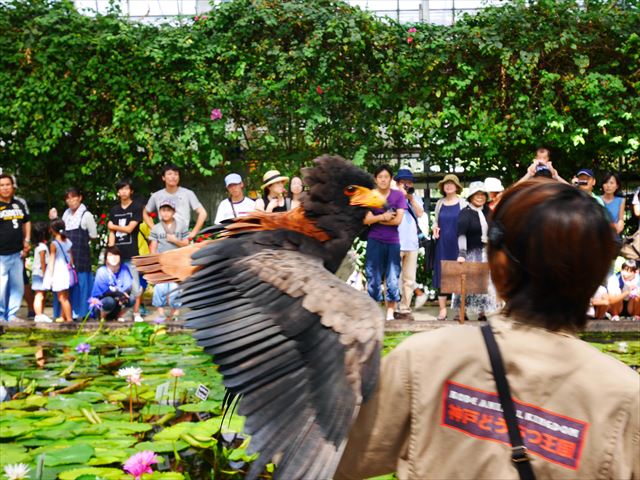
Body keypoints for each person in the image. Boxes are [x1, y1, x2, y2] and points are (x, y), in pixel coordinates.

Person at [336, 180, 638, 480]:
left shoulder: (423, 361)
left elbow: (333, 460)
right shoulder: (626, 397)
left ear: (499, 265)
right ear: (597, 276)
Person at [49, 187, 99, 319]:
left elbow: (93, 235)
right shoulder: (65, 215)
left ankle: (82, 313)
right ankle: (65, 314)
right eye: (68, 198)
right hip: (66, 259)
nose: (71, 201)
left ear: (80, 197)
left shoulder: (86, 215)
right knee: (66, 286)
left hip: (81, 256)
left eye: (73, 197)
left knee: (81, 285)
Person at [364, 165, 405, 322]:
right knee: (373, 277)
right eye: (380, 176)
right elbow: (366, 219)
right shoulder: (370, 196)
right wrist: (384, 216)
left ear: (391, 179)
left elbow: (398, 220)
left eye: (386, 176)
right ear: (376, 179)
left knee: (393, 278)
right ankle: (374, 311)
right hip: (374, 240)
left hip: (393, 242)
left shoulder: (398, 196)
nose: (383, 179)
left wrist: (377, 219)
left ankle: (390, 313)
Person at [454, 181, 500, 320]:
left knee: (486, 283)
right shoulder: (465, 213)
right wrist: (462, 254)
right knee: (467, 283)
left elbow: (495, 229)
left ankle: (482, 312)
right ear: (471, 196)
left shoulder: (488, 211)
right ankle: (462, 312)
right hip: (470, 253)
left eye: (482, 194)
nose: (480, 197)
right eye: (477, 194)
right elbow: (461, 234)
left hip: (486, 252)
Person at [108, 178, 144, 322]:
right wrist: (110, 251)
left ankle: (136, 313)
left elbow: (130, 229)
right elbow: (111, 233)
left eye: (126, 188)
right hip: (117, 255)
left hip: (132, 253)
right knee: (118, 286)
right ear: (118, 192)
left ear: (131, 191)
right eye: (121, 189)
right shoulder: (114, 210)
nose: (124, 191)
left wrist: (113, 226)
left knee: (135, 285)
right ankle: (120, 314)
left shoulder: (136, 207)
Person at [432, 174, 466, 321]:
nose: (448, 186)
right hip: (442, 244)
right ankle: (443, 310)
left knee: (459, 276)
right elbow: (435, 221)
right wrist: (434, 228)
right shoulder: (439, 203)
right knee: (441, 276)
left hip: (458, 244)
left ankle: (460, 311)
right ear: (443, 187)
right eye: (446, 184)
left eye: (451, 184)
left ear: (457, 187)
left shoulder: (463, 203)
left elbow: (467, 223)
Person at [144, 163, 208, 240]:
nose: (173, 177)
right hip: (163, 238)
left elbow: (203, 213)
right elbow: (145, 212)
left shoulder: (187, 193)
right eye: (169, 174)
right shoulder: (156, 195)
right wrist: (154, 228)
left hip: (182, 237)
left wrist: (194, 232)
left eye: (176, 174)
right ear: (163, 177)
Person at [149, 199, 189, 320]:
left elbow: (187, 244)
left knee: (174, 288)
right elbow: (153, 247)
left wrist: (175, 240)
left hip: (177, 263)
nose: (165, 213)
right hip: (161, 263)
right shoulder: (156, 228)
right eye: (163, 210)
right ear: (160, 212)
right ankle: (160, 313)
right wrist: (153, 264)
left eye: (168, 210)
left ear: (173, 211)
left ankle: (175, 314)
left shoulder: (182, 226)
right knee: (160, 288)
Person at [394, 169, 425, 320]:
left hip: (412, 244)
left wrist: (411, 198)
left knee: (409, 279)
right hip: (394, 242)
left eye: (409, 182)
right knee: (392, 277)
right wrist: (399, 196)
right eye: (403, 182)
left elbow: (420, 213)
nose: (407, 185)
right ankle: (391, 307)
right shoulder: (392, 197)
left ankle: (405, 309)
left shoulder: (416, 199)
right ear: (397, 183)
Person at [0, 173, 31, 322]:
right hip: (1, 254)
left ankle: (12, 314)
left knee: (17, 286)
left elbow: (27, 221)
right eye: (2, 185)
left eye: (8, 184)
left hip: (17, 253)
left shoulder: (19, 204)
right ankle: (0, 315)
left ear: (13, 187)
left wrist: (27, 240)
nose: (5, 188)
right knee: (0, 287)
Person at [91, 246, 134, 321]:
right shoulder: (102, 271)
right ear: (106, 258)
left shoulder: (124, 269)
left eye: (116, 255)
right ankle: (101, 319)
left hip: (118, 302)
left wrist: (123, 295)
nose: (114, 258)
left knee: (132, 299)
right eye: (110, 255)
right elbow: (103, 293)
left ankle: (118, 316)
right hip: (103, 303)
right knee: (109, 301)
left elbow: (129, 286)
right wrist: (118, 294)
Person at [43, 219, 74, 323]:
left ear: (52, 230)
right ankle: (63, 316)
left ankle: (69, 319)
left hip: (59, 272)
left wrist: (50, 276)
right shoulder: (68, 241)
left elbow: (51, 261)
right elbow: (71, 257)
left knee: (62, 298)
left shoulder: (54, 244)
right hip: (67, 271)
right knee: (66, 296)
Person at [31, 222, 52, 323]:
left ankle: (40, 314)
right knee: (39, 295)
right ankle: (38, 315)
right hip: (40, 274)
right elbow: (43, 262)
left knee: (41, 295)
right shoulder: (42, 247)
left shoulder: (38, 246)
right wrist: (45, 275)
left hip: (37, 273)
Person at [599, 172, 625, 238]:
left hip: (614, 239)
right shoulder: (596, 199)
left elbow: (620, 219)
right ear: (602, 185)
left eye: (611, 183)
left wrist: (620, 225)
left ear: (617, 186)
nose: (608, 185)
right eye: (606, 182)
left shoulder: (621, 200)